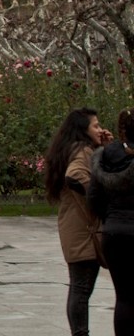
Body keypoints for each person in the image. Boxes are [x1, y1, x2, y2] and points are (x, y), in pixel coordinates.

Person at [46, 107, 110, 336]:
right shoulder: (82, 151)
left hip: (75, 226)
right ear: (83, 129)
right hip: (83, 230)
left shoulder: (73, 149)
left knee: (79, 287)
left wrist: (104, 148)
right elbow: (75, 175)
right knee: (81, 288)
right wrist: (98, 195)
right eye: (95, 125)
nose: (100, 129)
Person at [89, 109, 134, 334]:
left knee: (124, 297)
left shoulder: (105, 159)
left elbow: (93, 198)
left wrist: (110, 219)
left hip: (114, 233)